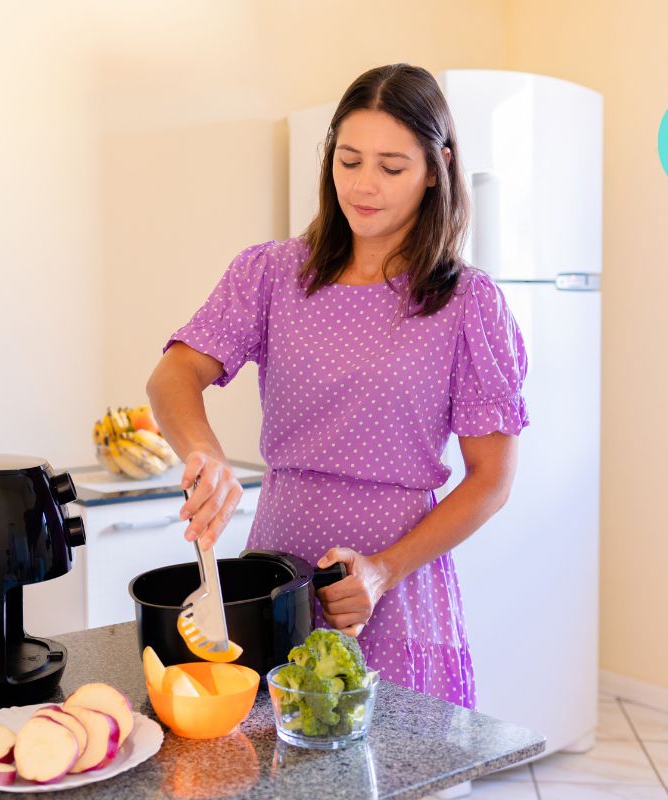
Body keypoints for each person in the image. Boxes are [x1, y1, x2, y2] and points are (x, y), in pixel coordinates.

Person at [145, 63, 528, 710]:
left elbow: (491, 479)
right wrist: (203, 454)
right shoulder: (272, 273)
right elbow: (175, 373)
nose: (364, 186)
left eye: (391, 166)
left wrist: (382, 571)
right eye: (348, 161)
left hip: (394, 581)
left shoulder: (467, 304)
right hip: (275, 570)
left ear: (436, 168)